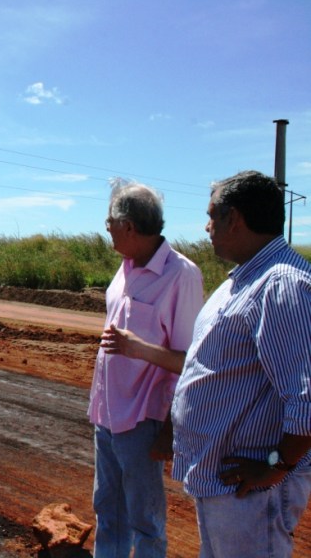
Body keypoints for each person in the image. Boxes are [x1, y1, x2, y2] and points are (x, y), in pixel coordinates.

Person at [171, 170, 311, 557]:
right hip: (223, 480)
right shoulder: (245, 280)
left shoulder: (282, 283)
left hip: (251, 490)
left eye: (212, 215)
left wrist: (275, 466)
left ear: (235, 218)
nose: (206, 226)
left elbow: (307, 397)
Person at [89, 178, 204, 557]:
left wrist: (139, 350)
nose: (107, 231)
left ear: (129, 227)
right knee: (108, 511)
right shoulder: (124, 268)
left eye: (110, 225)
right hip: (106, 416)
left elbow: (192, 362)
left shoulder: (181, 275)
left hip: (142, 420)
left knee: (145, 521)